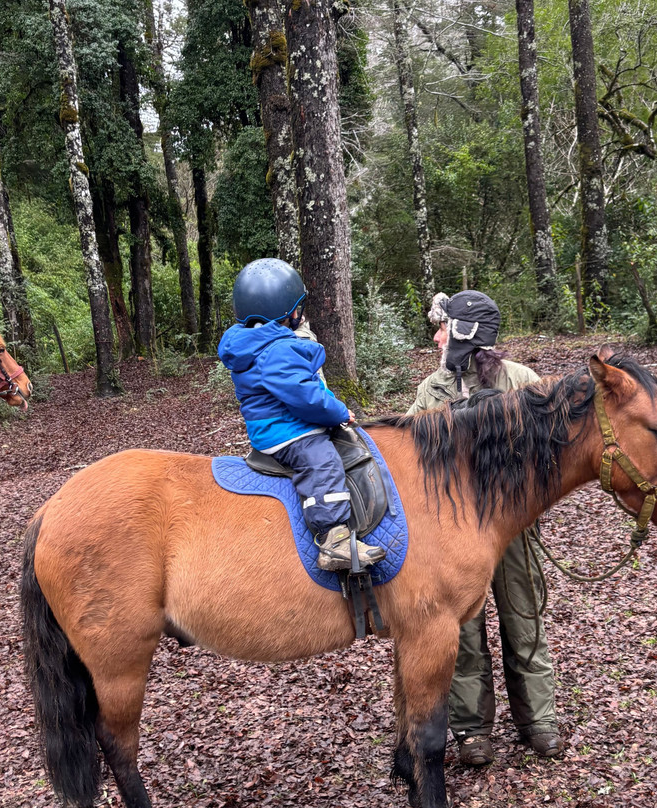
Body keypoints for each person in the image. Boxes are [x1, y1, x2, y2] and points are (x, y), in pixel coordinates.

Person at [406, 290, 564, 765]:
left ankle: (538, 720)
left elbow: (555, 454)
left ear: (467, 333)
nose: (437, 337)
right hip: (454, 538)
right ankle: (472, 730)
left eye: (444, 328)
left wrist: (509, 423)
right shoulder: (432, 389)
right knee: (463, 632)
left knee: (524, 620)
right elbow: (412, 460)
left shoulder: (525, 382)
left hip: (513, 531)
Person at [218, 258, 386, 572]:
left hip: (268, 425)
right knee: (322, 461)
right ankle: (334, 539)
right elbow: (306, 398)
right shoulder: (279, 350)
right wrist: (337, 411)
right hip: (288, 431)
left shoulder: (252, 345)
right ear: (291, 311)